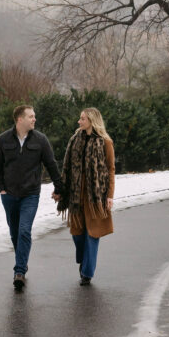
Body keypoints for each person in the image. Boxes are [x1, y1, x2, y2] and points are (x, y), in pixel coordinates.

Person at [0, 104, 63, 291]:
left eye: (34, 116)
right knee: (15, 233)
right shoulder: (3, 140)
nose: (34, 119)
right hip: (9, 195)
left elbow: (51, 164)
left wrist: (60, 188)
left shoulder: (40, 140)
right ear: (19, 119)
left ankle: (19, 271)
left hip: (30, 195)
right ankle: (22, 260)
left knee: (24, 230)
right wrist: (1, 188)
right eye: (31, 116)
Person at [55, 107, 115, 286]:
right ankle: (84, 260)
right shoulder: (75, 140)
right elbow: (66, 168)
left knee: (92, 234)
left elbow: (111, 170)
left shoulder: (105, 142)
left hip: (95, 197)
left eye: (82, 119)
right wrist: (61, 191)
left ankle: (87, 273)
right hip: (75, 195)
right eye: (80, 118)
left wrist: (109, 195)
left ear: (91, 121)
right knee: (77, 234)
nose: (79, 122)